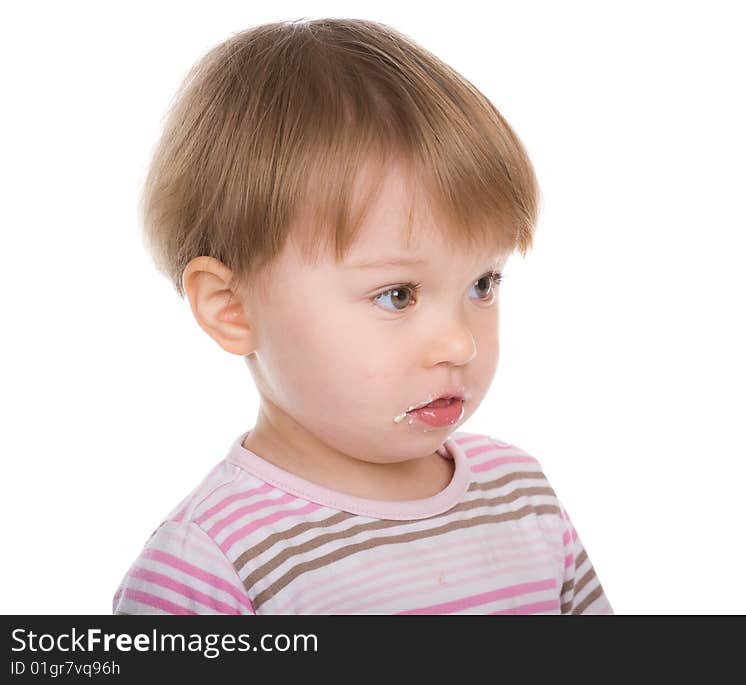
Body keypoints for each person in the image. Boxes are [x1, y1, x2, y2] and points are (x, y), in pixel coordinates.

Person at [112, 17, 612, 615]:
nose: (459, 344)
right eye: (397, 295)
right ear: (231, 307)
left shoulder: (520, 495)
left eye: (483, 283)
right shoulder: (212, 565)